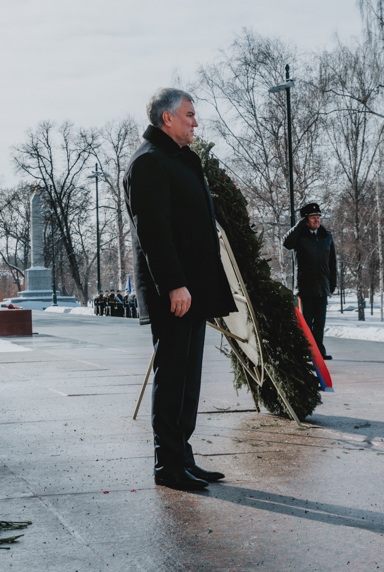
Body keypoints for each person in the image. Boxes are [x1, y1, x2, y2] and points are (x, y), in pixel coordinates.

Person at [124, 88, 237, 492]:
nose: (195, 121)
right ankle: (167, 466)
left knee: (188, 380)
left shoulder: (176, 159)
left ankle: (182, 457)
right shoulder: (149, 162)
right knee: (172, 378)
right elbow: (154, 232)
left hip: (193, 289)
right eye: (189, 114)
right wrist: (174, 284)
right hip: (176, 292)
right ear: (166, 118)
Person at [282, 202, 337, 360]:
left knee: (319, 323)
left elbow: (332, 262)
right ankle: (306, 351)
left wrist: (332, 283)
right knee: (306, 322)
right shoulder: (300, 237)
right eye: (313, 217)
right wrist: (299, 225)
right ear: (305, 220)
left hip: (322, 287)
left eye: (318, 217)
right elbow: (286, 243)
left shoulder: (327, 236)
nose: (317, 220)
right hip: (305, 288)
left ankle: (319, 351)